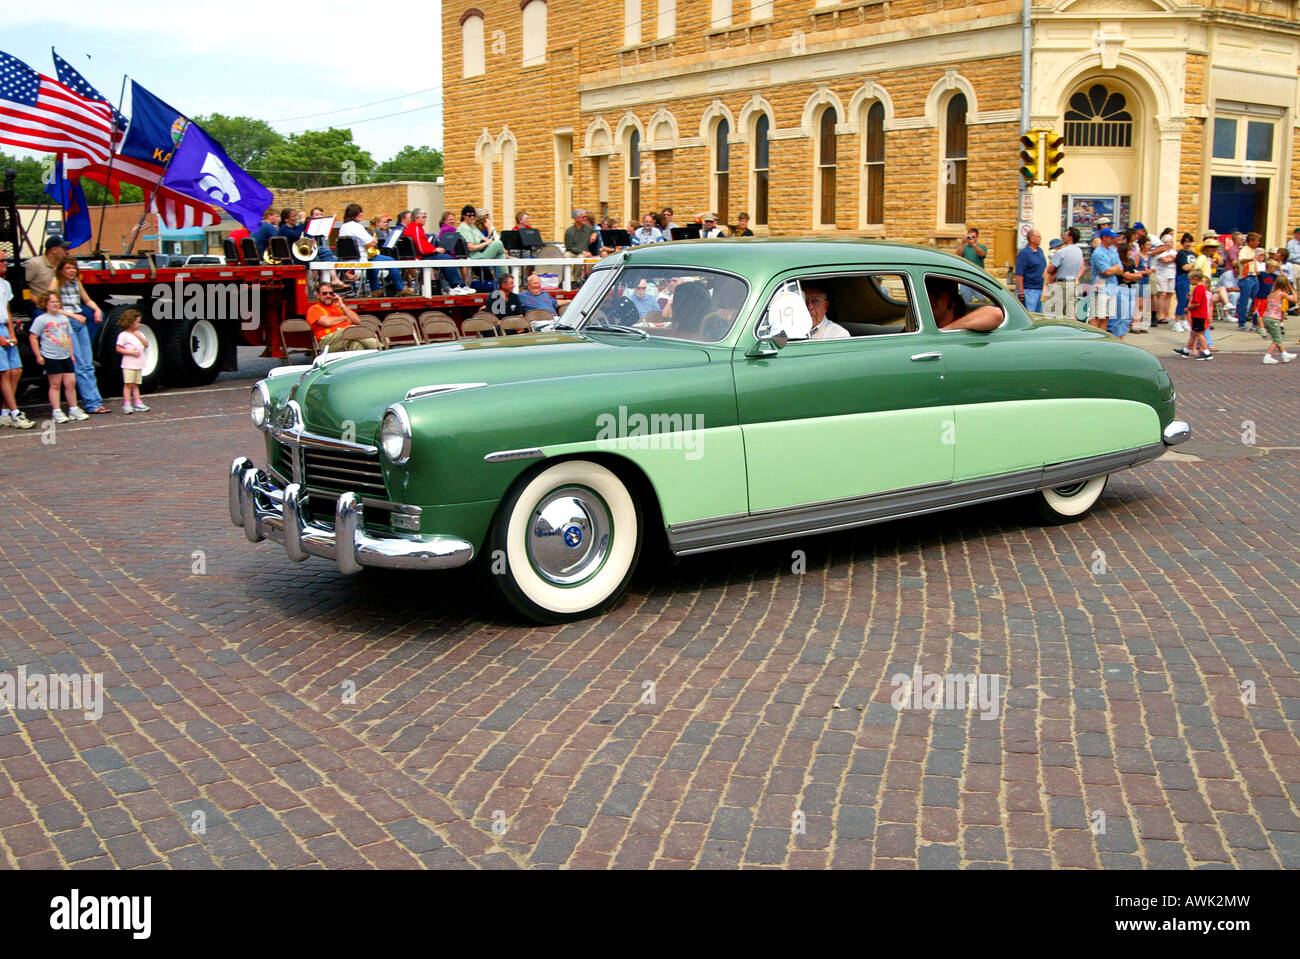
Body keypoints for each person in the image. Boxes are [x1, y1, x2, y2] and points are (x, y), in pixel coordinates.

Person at [48, 256, 109, 414]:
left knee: (88, 363)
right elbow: (51, 306)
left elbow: (86, 300)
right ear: (61, 269)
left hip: (79, 322)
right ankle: (91, 403)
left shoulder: (76, 282)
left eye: (73, 268)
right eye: (68, 268)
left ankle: (96, 401)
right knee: (80, 363)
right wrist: (73, 316)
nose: (71, 271)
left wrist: (96, 310)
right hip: (66, 324)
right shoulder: (56, 282)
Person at [29, 291, 86, 422]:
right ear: (46, 304)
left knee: (70, 383)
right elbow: (33, 336)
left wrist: (71, 353)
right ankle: (56, 411)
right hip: (51, 356)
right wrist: (38, 355)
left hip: (64, 355)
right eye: (52, 302)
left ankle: (73, 408)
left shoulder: (64, 318)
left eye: (57, 301)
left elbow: (68, 336)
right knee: (55, 384)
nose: (55, 304)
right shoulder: (41, 319)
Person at [338, 203, 404, 295]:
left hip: (348, 260)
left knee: (374, 262)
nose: (362, 214)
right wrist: (374, 239)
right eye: (359, 212)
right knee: (391, 261)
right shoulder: (356, 226)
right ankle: (400, 288)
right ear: (353, 214)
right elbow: (371, 242)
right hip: (360, 258)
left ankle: (375, 289)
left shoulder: (343, 227)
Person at [0, 255, 33, 429]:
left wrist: (11, 333)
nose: (6, 264)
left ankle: (4, 413)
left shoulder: (5, 285)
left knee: (16, 370)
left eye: (6, 260)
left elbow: (7, 310)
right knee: (4, 372)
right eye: (2, 261)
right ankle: (15, 412)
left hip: (5, 328)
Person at [404, 209, 465, 293]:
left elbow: (424, 245)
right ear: (416, 218)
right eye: (423, 217)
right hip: (421, 257)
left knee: (445, 257)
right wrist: (435, 250)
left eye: (425, 217)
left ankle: (458, 285)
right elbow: (421, 249)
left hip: (424, 255)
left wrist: (436, 249)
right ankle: (455, 285)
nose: (425, 219)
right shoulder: (415, 228)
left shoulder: (417, 228)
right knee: (446, 258)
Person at [305, 284, 379, 351]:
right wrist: (345, 318)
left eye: (331, 293)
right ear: (318, 295)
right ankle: (379, 348)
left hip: (346, 338)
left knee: (356, 345)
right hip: (328, 341)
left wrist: (342, 305)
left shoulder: (339, 307)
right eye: (324, 293)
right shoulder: (314, 309)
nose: (328, 296)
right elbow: (327, 322)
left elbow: (357, 321)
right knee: (351, 330)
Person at [927, 277, 1003, 331]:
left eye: (937, 295)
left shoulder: (963, 324)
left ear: (952, 301)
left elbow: (996, 314)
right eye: (927, 295)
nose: (930, 300)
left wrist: (946, 330)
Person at [115, 309, 150, 413]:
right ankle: (127, 403)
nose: (139, 324)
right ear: (130, 322)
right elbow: (118, 348)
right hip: (129, 364)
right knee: (128, 384)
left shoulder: (139, 333)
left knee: (136, 384)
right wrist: (131, 353)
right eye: (137, 322)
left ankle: (138, 402)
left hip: (138, 364)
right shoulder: (123, 335)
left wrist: (139, 336)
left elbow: (146, 344)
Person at [458, 205, 507, 280]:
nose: (472, 217)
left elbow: (485, 239)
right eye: (469, 215)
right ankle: (505, 281)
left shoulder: (472, 226)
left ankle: (506, 281)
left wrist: (489, 229)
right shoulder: (464, 228)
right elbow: (471, 247)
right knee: (498, 243)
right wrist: (486, 243)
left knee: (501, 256)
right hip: (475, 257)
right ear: (464, 216)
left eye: (473, 215)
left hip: (481, 253)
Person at [1088, 227, 1123, 332]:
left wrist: (1113, 269)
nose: (1113, 240)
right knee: (1097, 315)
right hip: (1100, 287)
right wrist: (1114, 268)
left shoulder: (1113, 251)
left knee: (1107, 316)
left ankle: (1102, 339)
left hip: (1112, 287)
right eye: (1111, 238)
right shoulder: (1098, 253)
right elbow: (1105, 272)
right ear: (1104, 238)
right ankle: (1093, 338)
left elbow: (1121, 270)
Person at [1175, 270, 1213, 360]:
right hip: (1199, 314)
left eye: (1190, 280)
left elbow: (1197, 303)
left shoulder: (1198, 288)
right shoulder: (1201, 288)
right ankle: (1186, 350)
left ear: (1195, 279)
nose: (1190, 282)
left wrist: (1188, 307)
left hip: (1198, 315)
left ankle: (1207, 352)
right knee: (1194, 333)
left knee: (1199, 334)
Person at [1014, 229, 1046, 313]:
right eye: (1038, 236)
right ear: (1032, 239)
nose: (1040, 238)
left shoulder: (1040, 251)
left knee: (1039, 315)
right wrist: (1021, 292)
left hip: (1040, 289)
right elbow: (1019, 274)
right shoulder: (1024, 253)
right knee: (1030, 315)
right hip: (1029, 290)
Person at [1236, 232, 1260, 330]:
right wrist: (1251, 259)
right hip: (1246, 277)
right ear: (1250, 241)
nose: (1258, 243)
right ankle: (1242, 323)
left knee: (1256, 301)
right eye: (1257, 241)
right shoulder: (1244, 250)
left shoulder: (1253, 250)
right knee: (1244, 301)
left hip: (1254, 277)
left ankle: (1255, 322)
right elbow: (1241, 260)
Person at [1173, 233, 1196, 332]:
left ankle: (1185, 321)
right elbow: (1185, 267)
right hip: (1182, 278)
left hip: (1192, 279)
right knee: (1182, 300)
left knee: (1188, 301)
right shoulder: (1181, 254)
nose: (1188, 243)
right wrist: (1195, 266)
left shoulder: (1194, 254)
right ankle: (1177, 322)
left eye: (1190, 241)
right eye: (1186, 241)